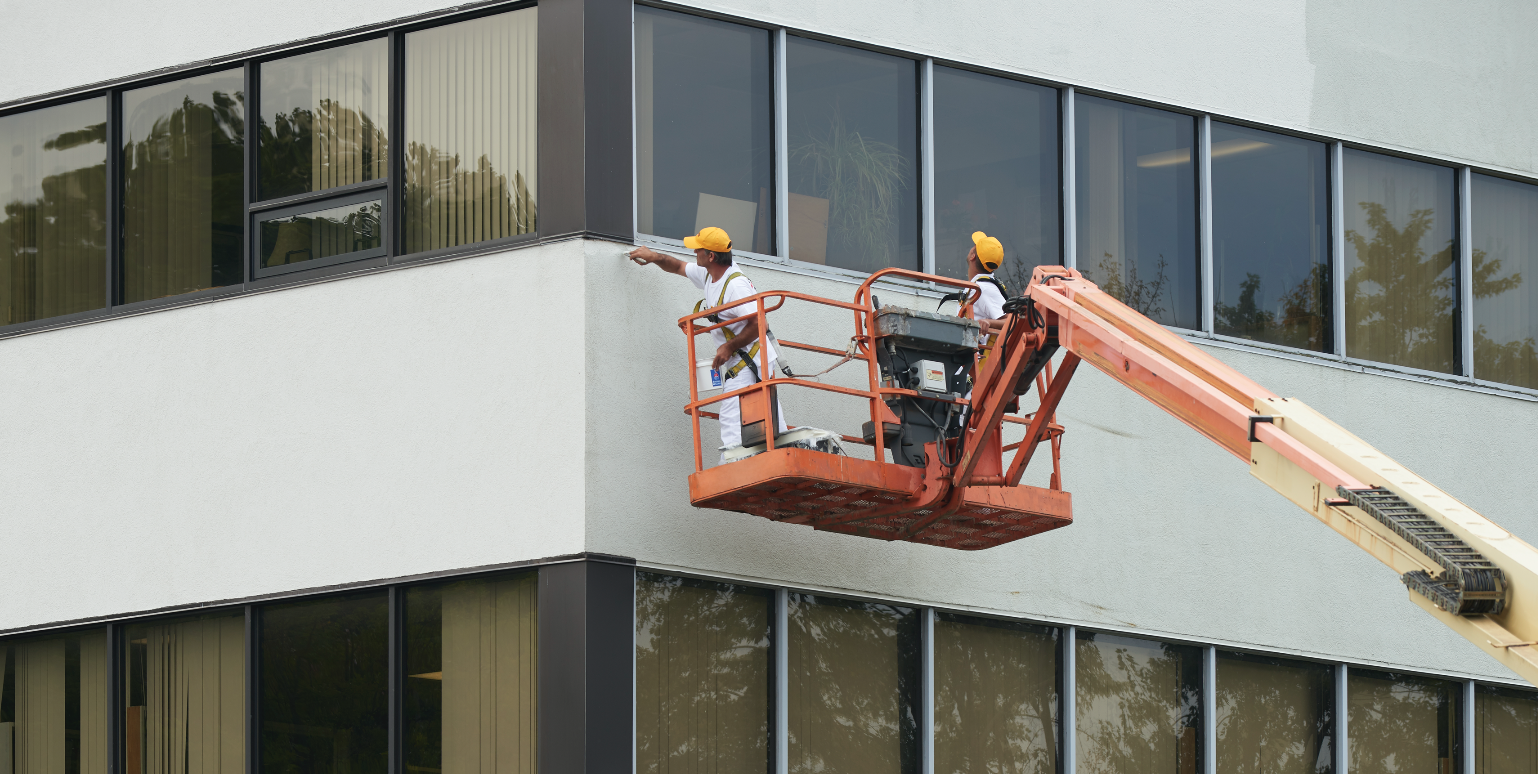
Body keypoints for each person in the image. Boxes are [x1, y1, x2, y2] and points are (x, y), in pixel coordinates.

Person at [628, 226, 788, 456]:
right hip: (747, 360)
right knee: (768, 418)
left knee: (733, 415)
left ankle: (734, 470)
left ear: (711, 256)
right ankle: (779, 459)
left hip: (751, 360)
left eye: (698, 250)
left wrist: (729, 346)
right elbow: (678, 266)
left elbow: (761, 324)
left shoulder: (735, 285)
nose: (694, 253)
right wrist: (654, 257)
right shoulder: (710, 274)